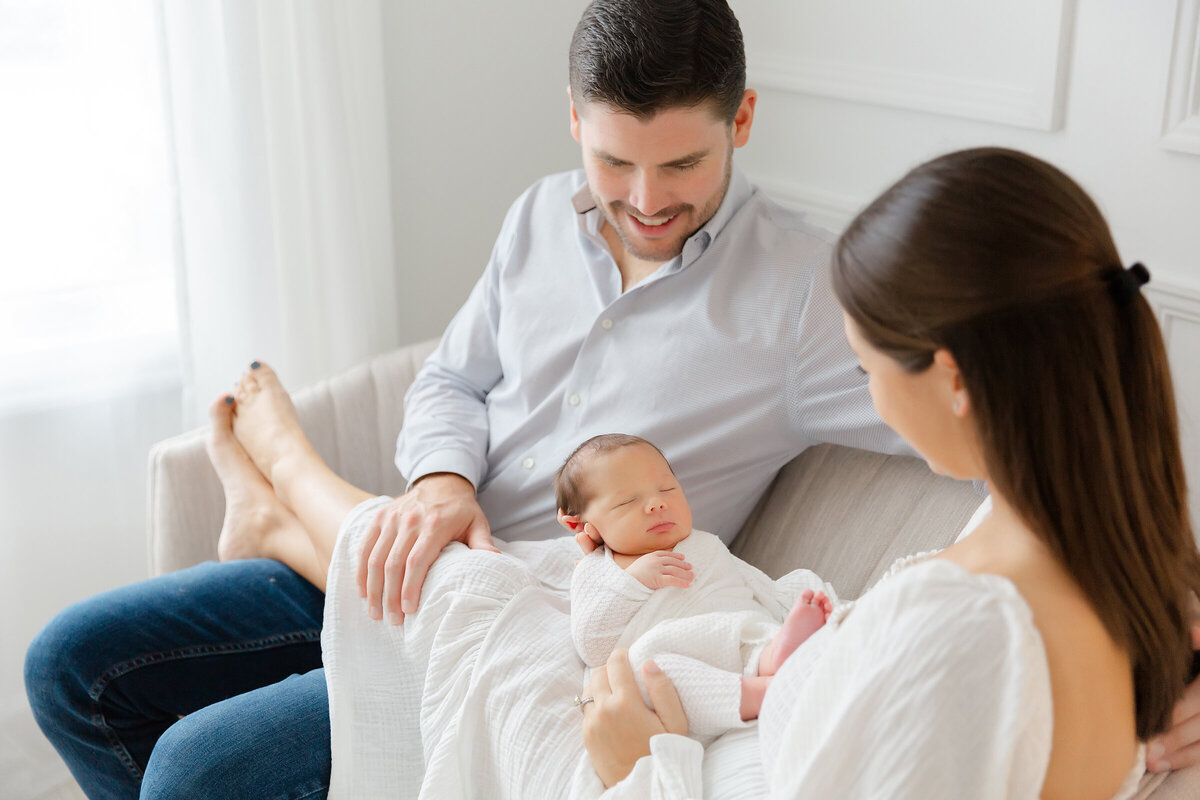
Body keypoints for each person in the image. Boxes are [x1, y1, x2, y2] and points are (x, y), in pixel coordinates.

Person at [24, 1, 908, 796]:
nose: (645, 202)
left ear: (743, 118)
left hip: (522, 644)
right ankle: (289, 528)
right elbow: (451, 379)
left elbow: (970, 417)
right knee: (68, 668)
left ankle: (287, 504)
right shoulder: (535, 221)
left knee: (194, 771)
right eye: (612, 161)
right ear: (571, 114)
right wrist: (442, 481)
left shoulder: (802, 296)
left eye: (680, 164)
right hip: (409, 563)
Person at [575, 148, 1200, 798]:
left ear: (953, 378)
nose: (871, 396)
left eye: (865, 368)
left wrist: (643, 769)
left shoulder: (962, 630)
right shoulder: (1111, 555)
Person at [557, 433, 832, 741]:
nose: (657, 503)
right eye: (627, 501)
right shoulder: (597, 570)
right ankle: (757, 693)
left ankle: (773, 654)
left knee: (749, 626)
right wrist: (634, 581)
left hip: (729, 631)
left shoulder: (702, 544)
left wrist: (780, 599)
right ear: (578, 525)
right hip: (678, 667)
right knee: (649, 671)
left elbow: (747, 584)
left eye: (667, 488)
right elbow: (593, 646)